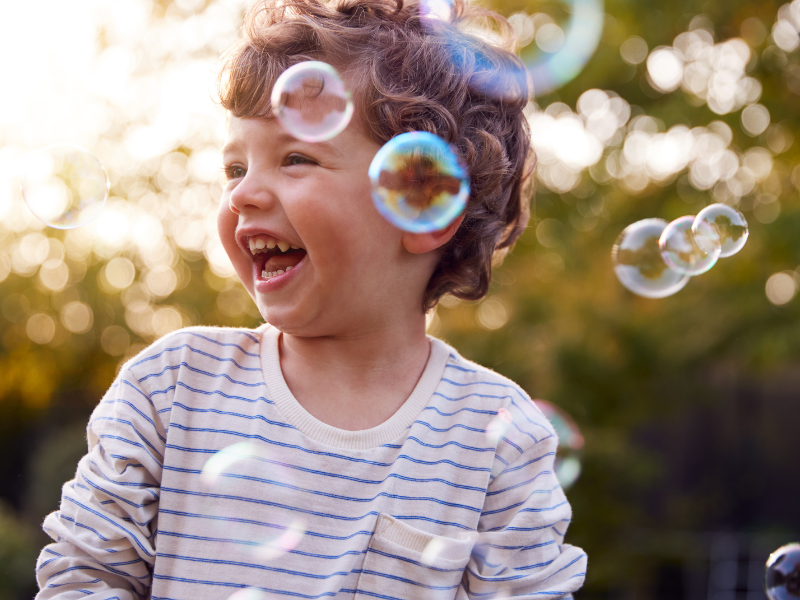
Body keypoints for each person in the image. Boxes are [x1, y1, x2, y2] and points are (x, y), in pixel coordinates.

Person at [35, 0, 587, 598]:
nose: (243, 193)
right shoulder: (170, 390)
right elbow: (83, 576)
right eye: (234, 168)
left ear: (425, 201)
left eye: (295, 158)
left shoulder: (495, 440)